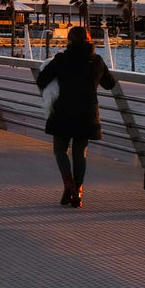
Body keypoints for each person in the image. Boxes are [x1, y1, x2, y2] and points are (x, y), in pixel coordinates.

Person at [35, 25, 116, 208]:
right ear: (88, 40)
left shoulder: (62, 59)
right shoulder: (96, 60)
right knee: (80, 152)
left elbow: (42, 80)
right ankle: (77, 192)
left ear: (69, 41)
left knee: (60, 149)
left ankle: (68, 184)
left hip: (64, 111)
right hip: (87, 114)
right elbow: (110, 84)